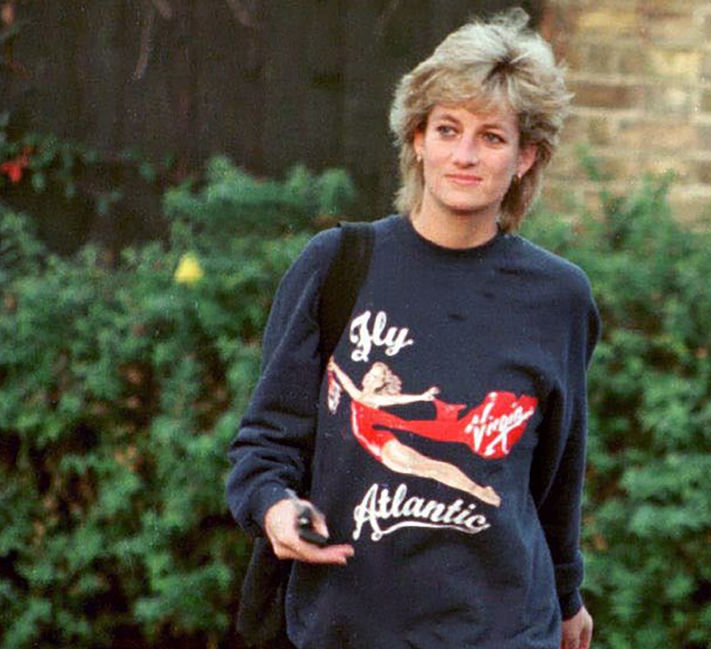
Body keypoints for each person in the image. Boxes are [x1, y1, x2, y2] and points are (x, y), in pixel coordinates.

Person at [226, 8, 598, 649]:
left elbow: (556, 476)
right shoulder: (339, 265)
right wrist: (276, 508)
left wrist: (566, 598)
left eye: (491, 137)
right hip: (349, 623)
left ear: (525, 157)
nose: (464, 155)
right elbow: (265, 443)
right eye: (448, 129)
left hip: (501, 628)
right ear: (417, 138)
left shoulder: (558, 296)